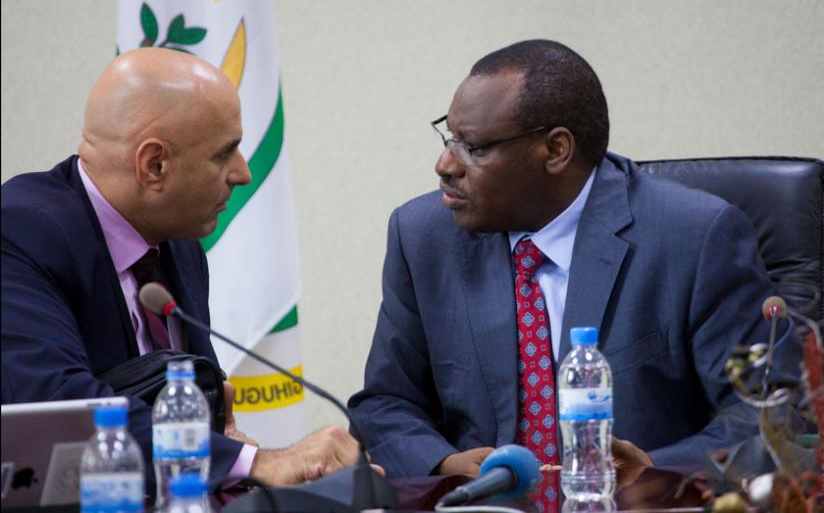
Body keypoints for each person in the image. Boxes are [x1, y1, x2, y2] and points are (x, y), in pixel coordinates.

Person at [348, 40, 793, 488]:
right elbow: (385, 404)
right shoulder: (423, 236)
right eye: (450, 138)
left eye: (474, 148)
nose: (445, 164)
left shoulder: (695, 238)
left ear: (556, 150)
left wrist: (659, 470)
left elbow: (776, 415)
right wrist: (443, 463)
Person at [1, 48, 362, 491]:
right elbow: (63, 413)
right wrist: (251, 461)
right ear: (155, 165)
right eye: (223, 154)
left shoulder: (180, 241)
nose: (243, 173)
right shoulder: (18, 234)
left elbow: (188, 413)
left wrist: (226, 445)